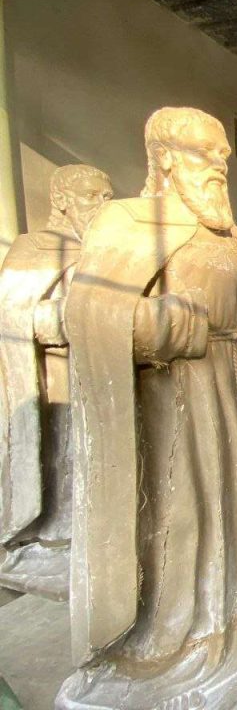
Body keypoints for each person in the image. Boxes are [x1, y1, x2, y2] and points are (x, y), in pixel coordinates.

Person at [58, 107, 237, 708]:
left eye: (224, 155)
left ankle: (230, 609)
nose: (220, 165)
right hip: (166, 398)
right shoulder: (127, 222)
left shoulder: (231, 241)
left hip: (228, 395)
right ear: (166, 158)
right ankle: (170, 633)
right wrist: (165, 328)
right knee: (177, 510)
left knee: (230, 500)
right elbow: (87, 313)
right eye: (206, 154)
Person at [0, 164, 112, 600]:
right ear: (62, 200)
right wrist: (68, 318)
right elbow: (13, 316)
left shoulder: (104, 250)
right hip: (56, 376)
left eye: (107, 196)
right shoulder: (34, 249)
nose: (102, 204)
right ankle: (59, 534)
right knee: (65, 456)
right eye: (91, 196)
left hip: (105, 372)